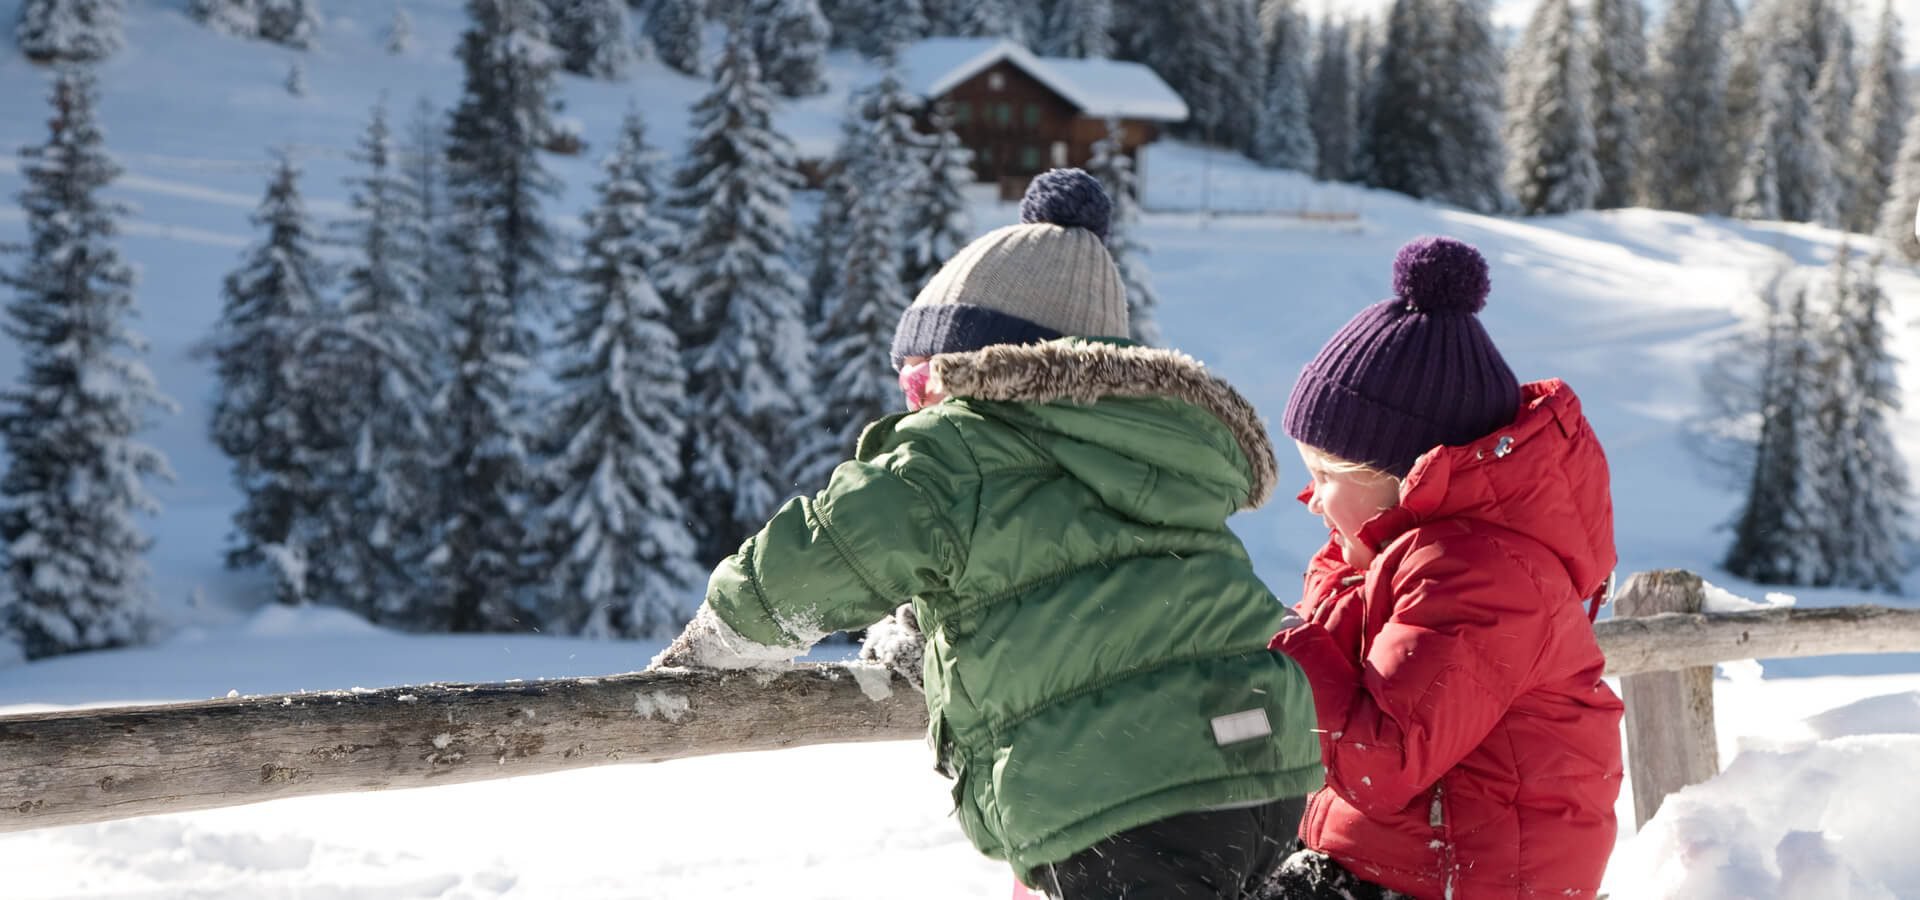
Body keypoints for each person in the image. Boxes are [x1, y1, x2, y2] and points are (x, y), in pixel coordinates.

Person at [651, 169, 1322, 898]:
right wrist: (936, 644)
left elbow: (829, 551)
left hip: (1124, 787)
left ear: (984, 368)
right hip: (1268, 768)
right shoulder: (1154, 450)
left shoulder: (956, 450)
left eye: (916, 381)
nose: (911, 402)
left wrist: (719, 636)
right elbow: (1076, 585)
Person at [1262, 236, 1624, 900]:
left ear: (1403, 477)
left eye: (1325, 475)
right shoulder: (1372, 557)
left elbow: (1381, 760)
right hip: (1397, 856)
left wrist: (1273, 637)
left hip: (1469, 878)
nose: (1309, 498)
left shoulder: (1482, 573)